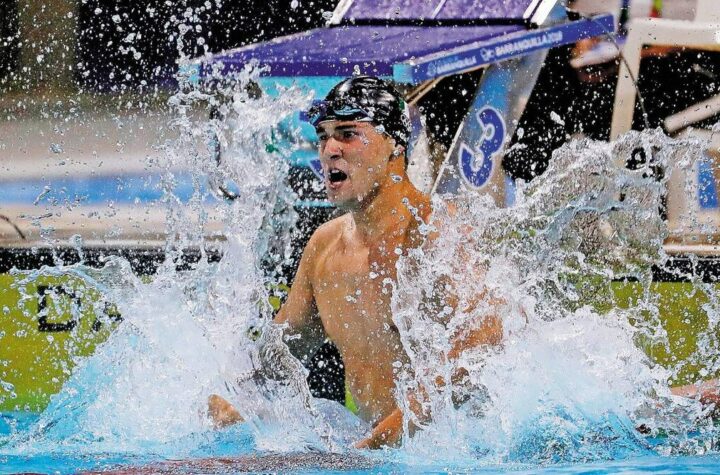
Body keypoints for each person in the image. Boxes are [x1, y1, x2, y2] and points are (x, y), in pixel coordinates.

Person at [208, 76, 503, 448]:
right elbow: (278, 356)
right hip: (376, 452)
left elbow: (483, 344)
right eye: (323, 136)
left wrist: (384, 439)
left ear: (395, 144)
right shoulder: (325, 248)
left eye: (347, 134)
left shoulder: (435, 232)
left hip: (458, 454)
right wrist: (231, 398)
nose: (329, 149)